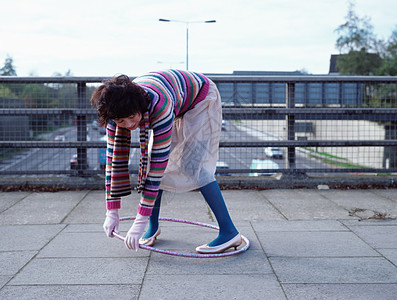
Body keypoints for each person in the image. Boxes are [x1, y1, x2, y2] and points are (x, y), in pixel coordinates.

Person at [91, 70, 241, 254]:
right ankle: (152, 228)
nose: (129, 125)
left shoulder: (159, 107)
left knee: (195, 167)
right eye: (121, 121)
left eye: (132, 117)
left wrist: (138, 221)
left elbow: (157, 164)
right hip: (176, 99)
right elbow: (112, 161)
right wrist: (111, 211)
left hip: (200, 98)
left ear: (140, 107)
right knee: (148, 169)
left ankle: (229, 231)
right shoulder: (114, 114)